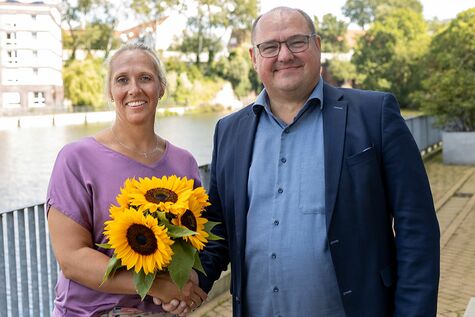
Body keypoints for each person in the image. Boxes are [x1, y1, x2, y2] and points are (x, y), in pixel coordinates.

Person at [191, 6, 440, 317]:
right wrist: (189, 282)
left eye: (297, 42)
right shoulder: (228, 130)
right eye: (270, 47)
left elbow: (417, 230)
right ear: (254, 58)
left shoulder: (374, 114)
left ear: (317, 46)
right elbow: (219, 232)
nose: (284, 55)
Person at [47, 42, 206, 317]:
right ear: (110, 91)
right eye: (122, 80)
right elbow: (71, 258)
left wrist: (182, 287)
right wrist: (157, 287)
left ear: (161, 88)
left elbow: (190, 248)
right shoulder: (76, 159)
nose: (134, 89)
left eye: (145, 78)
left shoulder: (184, 163)